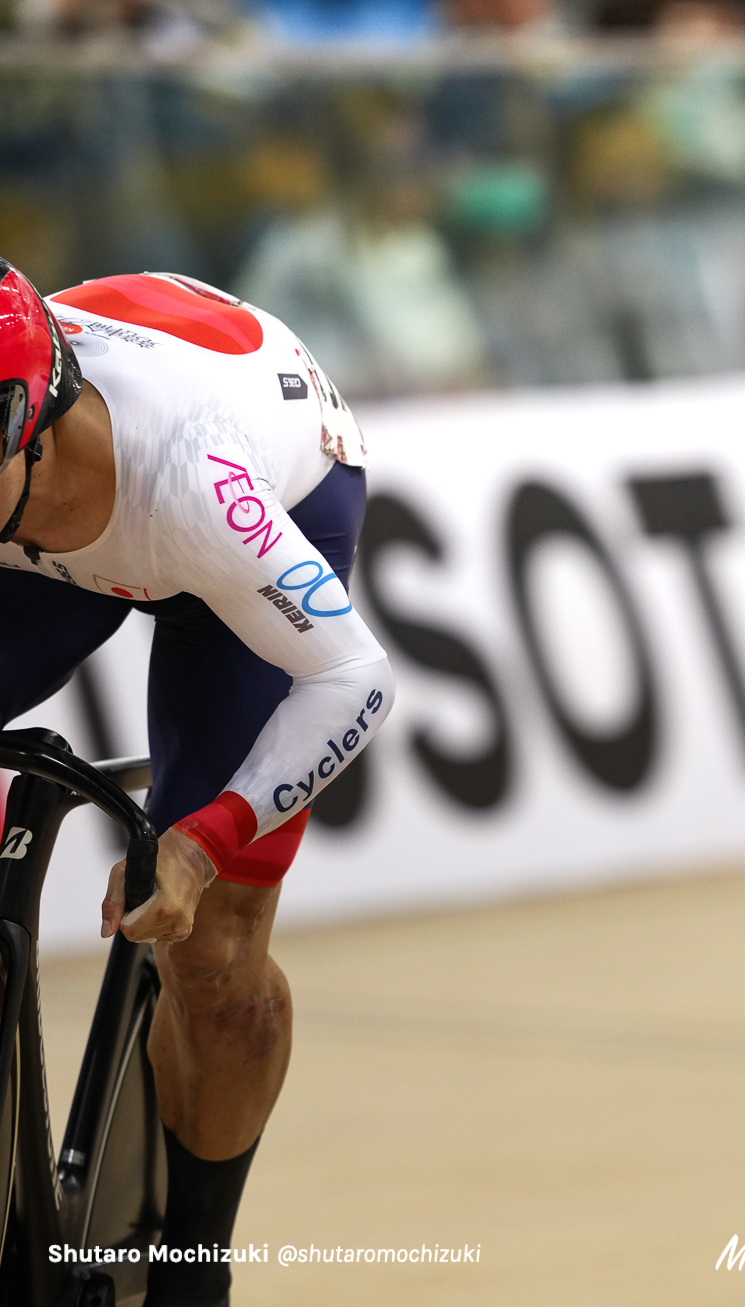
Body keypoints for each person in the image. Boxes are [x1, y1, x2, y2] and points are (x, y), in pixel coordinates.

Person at [0, 261, 393, 1306]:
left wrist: (200, 839)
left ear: (31, 418)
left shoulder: (196, 485)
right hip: (61, 528)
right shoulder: (19, 450)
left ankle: (192, 1266)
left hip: (271, 470)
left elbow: (353, 677)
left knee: (213, 948)